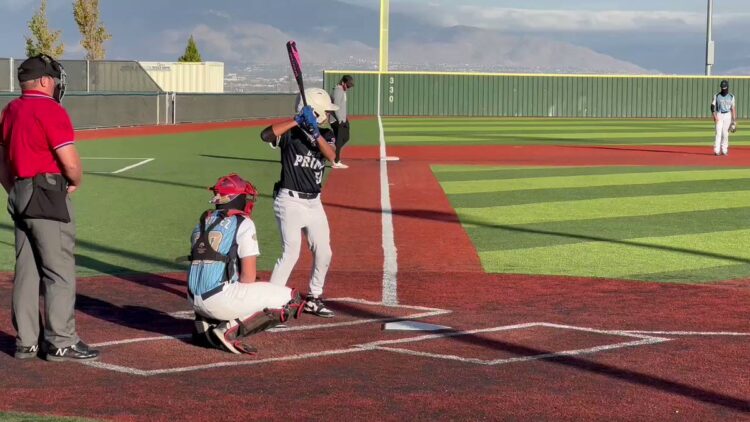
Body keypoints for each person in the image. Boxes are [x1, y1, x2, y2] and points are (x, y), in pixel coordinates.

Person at [0, 55, 99, 361]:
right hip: (46, 192)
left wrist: (15, 190)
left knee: (27, 272)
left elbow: (1, 162)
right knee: (59, 271)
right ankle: (61, 340)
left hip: (19, 191)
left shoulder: (10, 109)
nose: (56, 85)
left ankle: (26, 341)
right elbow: (69, 160)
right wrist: (75, 181)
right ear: (44, 81)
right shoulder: (50, 109)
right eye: (54, 79)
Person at [187, 173, 306, 355]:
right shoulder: (243, 222)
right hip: (219, 300)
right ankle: (228, 331)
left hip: (193, 298)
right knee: (292, 299)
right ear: (236, 198)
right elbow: (248, 277)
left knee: (225, 280)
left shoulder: (202, 222)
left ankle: (204, 322)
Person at [260, 88, 338, 318]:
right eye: (325, 111)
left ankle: (314, 298)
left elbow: (331, 155)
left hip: (314, 203)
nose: (328, 115)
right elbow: (265, 135)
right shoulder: (290, 134)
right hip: (289, 201)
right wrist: (296, 120)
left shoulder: (325, 133)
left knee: (324, 252)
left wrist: (314, 132)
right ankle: (272, 303)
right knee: (291, 252)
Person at [331, 75, 354, 169]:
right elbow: (335, 107)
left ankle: (332, 150)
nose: (348, 87)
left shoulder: (342, 91)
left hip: (343, 119)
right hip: (337, 120)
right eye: (347, 85)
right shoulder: (338, 91)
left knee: (346, 137)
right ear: (343, 82)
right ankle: (336, 161)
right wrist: (340, 120)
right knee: (339, 140)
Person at [711, 79, 737, 156]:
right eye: (722, 88)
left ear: (727, 87)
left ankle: (724, 149)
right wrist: (714, 115)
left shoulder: (731, 96)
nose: (724, 89)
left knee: (725, 133)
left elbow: (733, 108)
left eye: (725, 87)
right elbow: (712, 106)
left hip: (728, 115)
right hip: (719, 114)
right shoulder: (717, 96)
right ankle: (716, 150)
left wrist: (734, 120)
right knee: (718, 133)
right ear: (721, 87)